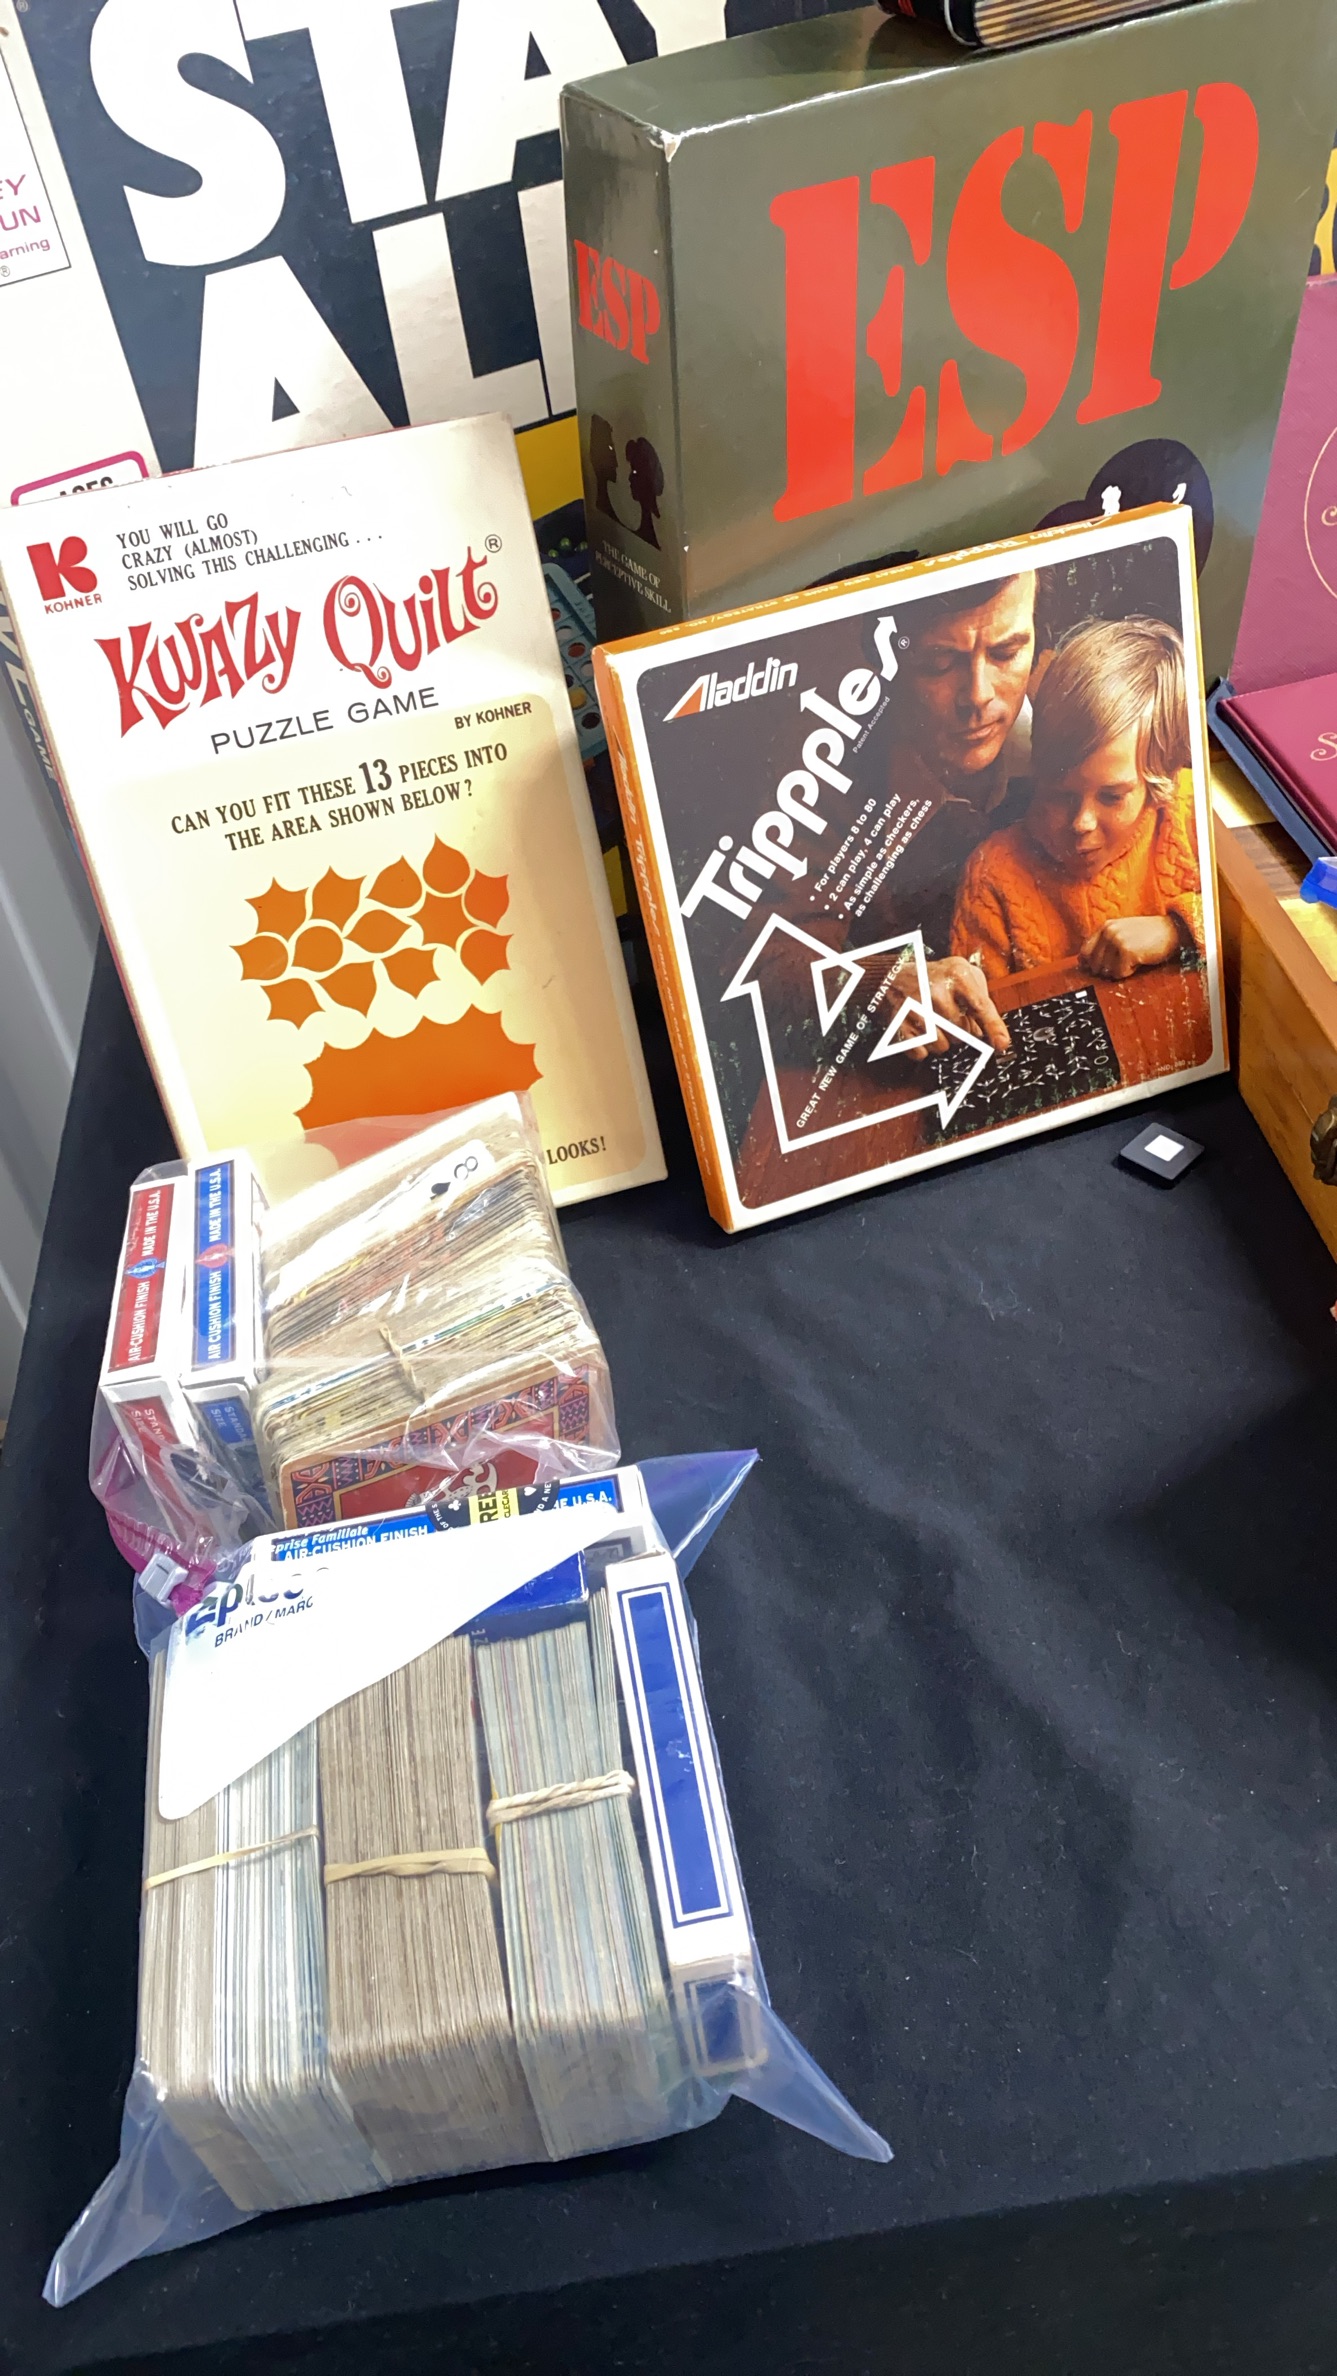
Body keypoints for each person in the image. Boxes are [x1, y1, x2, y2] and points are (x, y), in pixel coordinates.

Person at [948, 616, 1200, 985]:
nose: (1081, 822)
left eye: (1112, 797)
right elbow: (979, 1009)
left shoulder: (1190, 812)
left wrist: (1175, 931)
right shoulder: (993, 874)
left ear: (1158, 778)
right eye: (1060, 794)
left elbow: (1260, 923)